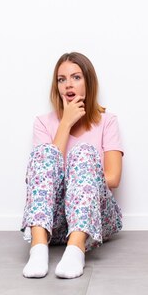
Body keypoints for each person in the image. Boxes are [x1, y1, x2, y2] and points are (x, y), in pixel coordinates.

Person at [21, 52, 124, 279]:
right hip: (54, 223)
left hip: (94, 220)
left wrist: (80, 178)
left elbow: (113, 178)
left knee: (83, 154)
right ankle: (38, 249)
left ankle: (76, 249)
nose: (68, 84)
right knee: (45, 153)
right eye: (62, 79)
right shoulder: (42, 122)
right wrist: (65, 123)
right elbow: (39, 177)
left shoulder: (107, 121)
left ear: (88, 82)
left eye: (76, 77)